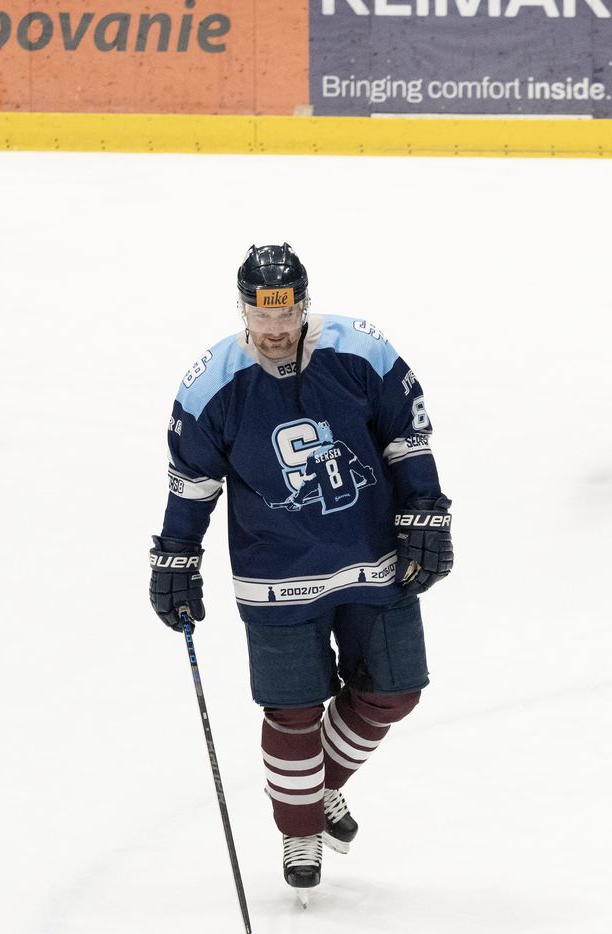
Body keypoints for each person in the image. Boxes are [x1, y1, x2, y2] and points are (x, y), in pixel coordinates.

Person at [148, 245, 453, 897]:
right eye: (263, 315)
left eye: (287, 314)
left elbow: (407, 435)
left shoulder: (361, 350)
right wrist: (177, 556)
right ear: (244, 310)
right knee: (292, 712)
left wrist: (426, 509)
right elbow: (192, 481)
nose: (276, 329)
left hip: (372, 553)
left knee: (396, 691)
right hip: (275, 569)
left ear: (304, 305)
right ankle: (301, 828)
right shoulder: (212, 383)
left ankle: (311, 790)